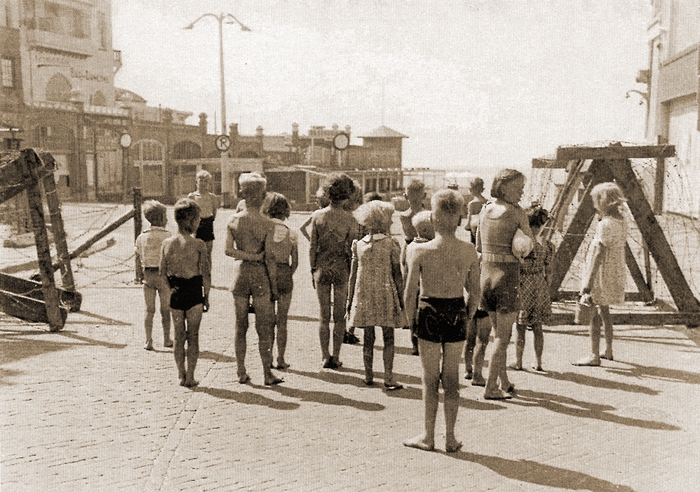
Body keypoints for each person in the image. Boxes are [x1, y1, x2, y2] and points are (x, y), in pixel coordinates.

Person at [402, 189, 480, 453]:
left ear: (433, 217)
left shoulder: (420, 250)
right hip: (456, 309)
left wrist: (411, 322)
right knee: (451, 378)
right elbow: (475, 292)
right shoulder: (469, 250)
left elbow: (410, 291)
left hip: (429, 310)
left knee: (429, 378)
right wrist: (467, 317)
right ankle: (450, 437)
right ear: (459, 218)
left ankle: (428, 436)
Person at [477, 168, 533, 400]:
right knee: (503, 338)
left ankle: (504, 381)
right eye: (518, 187)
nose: (521, 192)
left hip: (486, 277)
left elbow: (479, 247)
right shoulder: (517, 212)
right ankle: (491, 388)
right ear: (504, 186)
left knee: (496, 334)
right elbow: (530, 246)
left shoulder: (484, 209)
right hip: (507, 277)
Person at [225, 173, 283, 386]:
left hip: (240, 275)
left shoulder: (233, 221)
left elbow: (228, 250)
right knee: (264, 328)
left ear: (242, 193)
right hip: (260, 276)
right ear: (264, 195)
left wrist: (247, 256)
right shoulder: (267, 224)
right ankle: (267, 373)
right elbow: (269, 259)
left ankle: (241, 371)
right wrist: (274, 287)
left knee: (240, 326)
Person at [347, 200, 404, 390]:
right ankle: (388, 377)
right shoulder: (391, 244)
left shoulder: (358, 245)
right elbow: (397, 274)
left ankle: (368, 375)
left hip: (364, 294)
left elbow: (353, 275)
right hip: (386, 293)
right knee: (388, 336)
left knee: (368, 338)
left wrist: (349, 302)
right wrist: (402, 301)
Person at [573, 182, 628, 367]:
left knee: (593, 313)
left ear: (603, 202)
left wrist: (588, 281)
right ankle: (609, 349)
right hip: (614, 270)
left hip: (601, 273)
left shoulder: (604, 224)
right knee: (605, 311)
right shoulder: (621, 221)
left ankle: (594, 354)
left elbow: (599, 253)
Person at [309, 173, 359, 369]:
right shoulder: (350, 219)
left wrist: (312, 268)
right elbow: (351, 250)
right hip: (341, 268)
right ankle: (336, 356)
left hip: (321, 266)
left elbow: (312, 246)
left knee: (323, 316)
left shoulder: (317, 216)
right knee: (339, 317)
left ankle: (324, 355)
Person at [160, 198, 211, 387]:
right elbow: (206, 273)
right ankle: (191, 375)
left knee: (179, 335)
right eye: (198, 220)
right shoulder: (199, 244)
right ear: (191, 221)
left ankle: (180, 374)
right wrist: (207, 295)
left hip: (176, 290)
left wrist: (169, 290)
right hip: (194, 290)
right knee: (193, 336)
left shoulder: (167, 243)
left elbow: (161, 272)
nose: (199, 223)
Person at [510, 205, 553, 372]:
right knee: (537, 326)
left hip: (523, 283)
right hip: (539, 283)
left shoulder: (522, 243)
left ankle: (518, 361)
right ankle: (539, 362)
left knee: (520, 326)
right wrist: (545, 286)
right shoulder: (547, 245)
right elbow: (549, 271)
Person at [262, 192, 299, 370]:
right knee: (282, 320)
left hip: (267, 275)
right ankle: (281, 358)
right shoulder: (291, 234)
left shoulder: (264, 230)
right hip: (285, 273)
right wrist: (288, 273)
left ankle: (267, 358)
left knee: (268, 320)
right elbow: (296, 262)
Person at [134, 200, 172, 351]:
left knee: (149, 310)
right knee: (165, 310)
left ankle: (148, 340)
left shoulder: (142, 236)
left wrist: (138, 274)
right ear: (162, 218)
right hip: (163, 276)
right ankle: (167, 339)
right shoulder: (167, 235)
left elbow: (138, 256)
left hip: (148, 275)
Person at [400, 210, 435, 356]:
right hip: (425, 287)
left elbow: (402, 261)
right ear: (426, 230)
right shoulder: (430, 247)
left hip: (411, 285)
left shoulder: (410, 245)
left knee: (413, 315)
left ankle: (414, 344)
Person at [188, 170, 220, 265]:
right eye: (201, 180)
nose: (203, 183)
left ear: (209, 183)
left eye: (206, 181)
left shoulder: (212, 197)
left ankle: (208, 275)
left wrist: (209, 219)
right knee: (197, 252)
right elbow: (189, 212)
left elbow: (214, 212)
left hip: (208, 224)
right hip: (197, 224)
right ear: (196, 182)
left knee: (208, 252)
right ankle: (198, 275)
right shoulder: (192, 196)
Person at [398, 179, 427, 245]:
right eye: (411, 194)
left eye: (418, 195)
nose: (415, 198)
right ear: (405, 196)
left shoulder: (428, 216)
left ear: (424, 196)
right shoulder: (403, 216)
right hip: (409, 247)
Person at [465, 177, 487, 244]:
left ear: (474, 189)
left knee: (474, 244)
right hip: (484, 227)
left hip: (474, 227)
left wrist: (467, 226)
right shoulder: (486, 201)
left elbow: (469, 217)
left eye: (470, 188)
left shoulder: (472, 204)